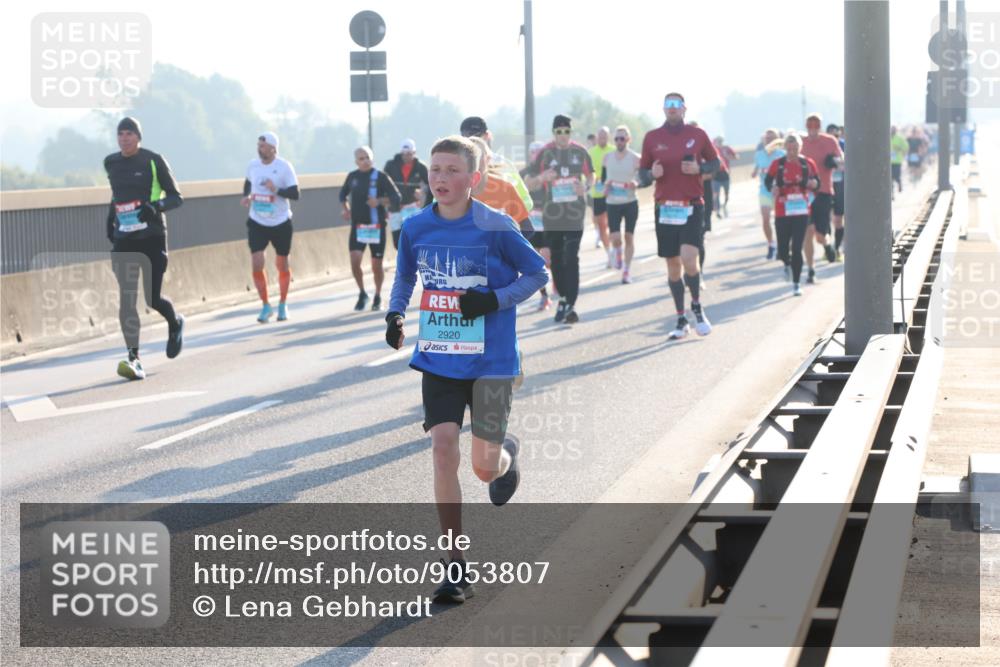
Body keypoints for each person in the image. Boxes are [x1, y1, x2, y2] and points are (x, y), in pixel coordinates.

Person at [384, 135, 548, 604]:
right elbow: (406, 275)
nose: (440, 178)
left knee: (482, 468)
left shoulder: (496, 226)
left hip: (493, 362)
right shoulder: (416, 227)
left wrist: (493, 300)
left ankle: (505, 455)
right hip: (439, 357)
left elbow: (537, 273)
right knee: (442, 449)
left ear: (473, 178)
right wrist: (396, 313)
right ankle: (454, 565)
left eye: (452, 170)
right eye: (435, 169)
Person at [104, 117, 185, 380]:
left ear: (138, 137)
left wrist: (156, 207)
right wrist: (110, 220)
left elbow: (176, 197)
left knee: (152, 298)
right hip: (124, 239)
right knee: (127, 298)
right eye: (121, 134)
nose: (125, 138)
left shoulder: (153, 160)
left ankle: (175, 323)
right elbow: (117, 195)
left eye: (129, 133)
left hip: (151, 237)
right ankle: (134, 358)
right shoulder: (111, 163)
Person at [639, 93, 720, 339]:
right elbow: (642, 176)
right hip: (665, 208)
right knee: (673, 266)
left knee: (689, 258)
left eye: (676, 105)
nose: (672, 109)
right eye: (668, 104)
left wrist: (700, 168)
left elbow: (716, 164)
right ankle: (681, 317)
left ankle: (696, 305)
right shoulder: (652, 138)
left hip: (692, 206)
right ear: (664, 109)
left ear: (684, 109)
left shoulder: (697, 135)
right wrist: (651, 174)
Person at [524, 115, 594, 324]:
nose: (563, 135)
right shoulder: (545, 153)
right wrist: (541, 178)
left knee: (571, 257)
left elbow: (592, 176)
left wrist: (587, 187)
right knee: (556, 259)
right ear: (554, 133)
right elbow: (529, 182)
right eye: (559, 131)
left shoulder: (580, 151)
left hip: (574, 213)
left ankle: (569, 303)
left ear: (570, 133)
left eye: (566, 131)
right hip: (552, 215)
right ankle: (563, 299)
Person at [241, 132, 300, 323]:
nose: (260, 149)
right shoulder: (253, 165)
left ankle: (282, 303)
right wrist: (248, 196)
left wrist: (276, 190)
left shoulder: (284, 167)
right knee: (257, 262)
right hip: (257, 220)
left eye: (264, 146)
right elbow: (248, 184)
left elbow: (295, 193)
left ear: (274, 148)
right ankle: (266, 305)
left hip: (280, 221)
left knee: (282, 264)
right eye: (259, 145)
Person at [339, 146, 401, 311]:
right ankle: (362, 293)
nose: (365, 161)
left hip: (376, 227)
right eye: (361, 158)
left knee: (376, 265)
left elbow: (396, 197)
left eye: (367, 157)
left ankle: (378, 295)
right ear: (356, 162)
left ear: (372, 158)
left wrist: (379, 201)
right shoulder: (352, 177)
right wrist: (345, 209)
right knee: (355, 261)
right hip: (358, 226)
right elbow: (342, 195)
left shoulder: (380, 177)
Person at [765, 133, 821, 297]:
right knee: (783, 249)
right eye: (789, 148)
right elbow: (768, 181)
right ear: (785, 148)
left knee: (797, 248)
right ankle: (786, 263)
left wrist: (813, 184)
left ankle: (796, 283)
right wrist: (772, 188)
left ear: (800, 147)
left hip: (801, 210)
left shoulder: (807, 163)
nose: (792, 151)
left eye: (795, 148)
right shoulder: (778, 164)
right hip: (782, 210)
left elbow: (818, 183)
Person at [800, 113, 844, 280]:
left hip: (824, 191)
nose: (812, 128)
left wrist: (834, 162)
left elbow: (842, 160)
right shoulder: (801, 142)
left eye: (815, 125)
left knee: (819, 235)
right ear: (806, 126)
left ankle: (826, 245)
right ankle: (811, 270)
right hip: (804, 194)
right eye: (809, 125)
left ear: (819, 126)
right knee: (807, 231)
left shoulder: (829, 141)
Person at [459, 116, 533, 214]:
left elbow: (526, 202)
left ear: (487, 136)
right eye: (467, 138)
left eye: (476, 137)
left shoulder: (505, 165)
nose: (472, 142)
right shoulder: (453, 165)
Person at [602, 125, 641, 283]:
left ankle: (626, 270)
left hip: (630, 201)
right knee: (616, 237)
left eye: (622, 138)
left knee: (629, 237)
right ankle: (618, 251)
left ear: (628, 140)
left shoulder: (635, 158)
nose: (619, 141)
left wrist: (636, 182)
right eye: (617, 138)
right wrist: (605, 187)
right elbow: (603, 179)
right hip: (612, 202)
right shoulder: (607, 158)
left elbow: (640, 177)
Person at [521, 141, 554, 309]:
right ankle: (545, 296)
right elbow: (525, 185)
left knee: (548, 260)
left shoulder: (551, 170)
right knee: (536, 262)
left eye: (538, 152)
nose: (535, 155)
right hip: (530, 224)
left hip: (548, 221)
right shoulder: (524, 172)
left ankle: (557, 283)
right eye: (532, 152)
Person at [384, 138, 430, 249]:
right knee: (397, 242)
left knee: (412, 236)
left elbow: (431, 185)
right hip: (395, 208)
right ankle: (405, 259)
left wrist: (422, 193)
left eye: (409, 154)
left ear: (414, 153)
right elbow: (382, 184)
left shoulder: (421, 167)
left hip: (412, 207)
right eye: (404, 154)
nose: (407, 157)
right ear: (401, 153)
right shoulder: (390, 165)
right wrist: (386, 201)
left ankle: (410, 262)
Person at [751, 129, 783, 259]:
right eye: (767, 138)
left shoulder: (782, 154)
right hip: (765, 190)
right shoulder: (759, 154)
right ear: (763, 140)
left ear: (777, 139)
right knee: (765, 219)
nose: (769, 140)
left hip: (779, 191)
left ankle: (782, 244)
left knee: (780, 221)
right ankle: (771, 244)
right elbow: (755, 170)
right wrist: (755, 173)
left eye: (772, 138)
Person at [588, 126, 614, 259]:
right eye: (600, 136)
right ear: (597, 138)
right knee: (602, 225)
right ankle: (609, 253)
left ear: (608, 137)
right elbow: (586, 172)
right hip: (597, 193)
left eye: (605, 136)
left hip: (612, 193)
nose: (602, 138)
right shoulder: (591, 152)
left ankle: (615, 249)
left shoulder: (613, 150)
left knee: (612, 225)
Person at [827, 123, 846, 259]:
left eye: (837, 136)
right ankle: (828, 248)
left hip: (841, 187)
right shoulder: (822, 147)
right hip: (826, 187)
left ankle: (837, 247)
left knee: (838, 220)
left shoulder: (845, 145)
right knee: (827, 219)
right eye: (831, 136)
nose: (834, 138)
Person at [712, 136, 738, 217]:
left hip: (725, 174)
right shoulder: (712, 149)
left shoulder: (726, 148)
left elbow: (736, 157)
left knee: (726, 193)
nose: (719, 143)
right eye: (717, 141)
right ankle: (718, 210)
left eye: (720, 141)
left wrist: (727, 156)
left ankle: (725, 204)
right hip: (715, 174)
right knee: (716, 194)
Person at [890, 125, 907, 195]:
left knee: (897, 176)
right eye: (891, 129)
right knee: (890, 178)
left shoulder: (900, 138)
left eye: (893, 130)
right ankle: (891, 192)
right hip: (889, 161)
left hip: (897, 161)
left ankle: (899, 184)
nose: (892, 131)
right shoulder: (887, 137)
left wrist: (899, 149)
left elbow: (905, 147)